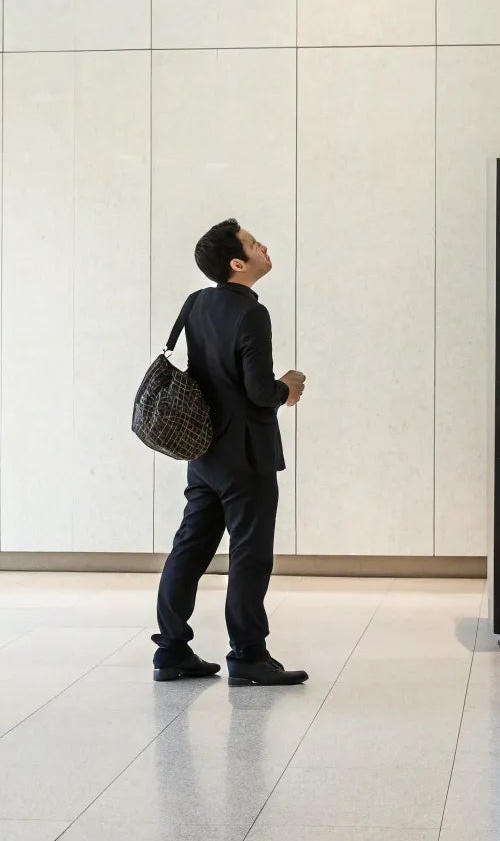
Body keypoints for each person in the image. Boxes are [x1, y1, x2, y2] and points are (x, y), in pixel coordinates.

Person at [151, 220, 309, 686]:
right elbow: (258, 391)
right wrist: (287, 388)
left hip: (203, 450)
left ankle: (171, 650)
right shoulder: (251, 313)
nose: (263, 246)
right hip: (248, 453)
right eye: (253, 244)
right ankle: (248, 655)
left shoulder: (196, 303)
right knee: (249, 554)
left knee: (189, 548)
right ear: (238, 264)